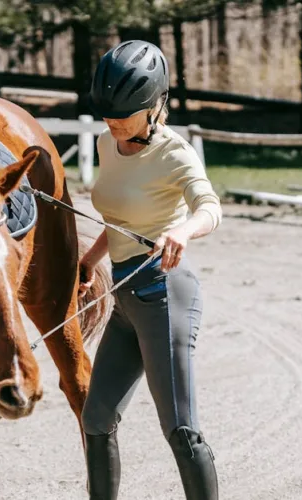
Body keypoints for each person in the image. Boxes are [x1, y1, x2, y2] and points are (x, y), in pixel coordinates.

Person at [78, 40, 221, 500]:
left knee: (180, 428)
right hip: (124, 296)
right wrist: (90, 258)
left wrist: (183, 230)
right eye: (107, 113)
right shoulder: (107, 142)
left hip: (163, 293)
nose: (113, 123)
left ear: (155, 106)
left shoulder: (174, 154)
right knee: (96, 418)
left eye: (125, 113)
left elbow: (210, 207)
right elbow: (119, 219)